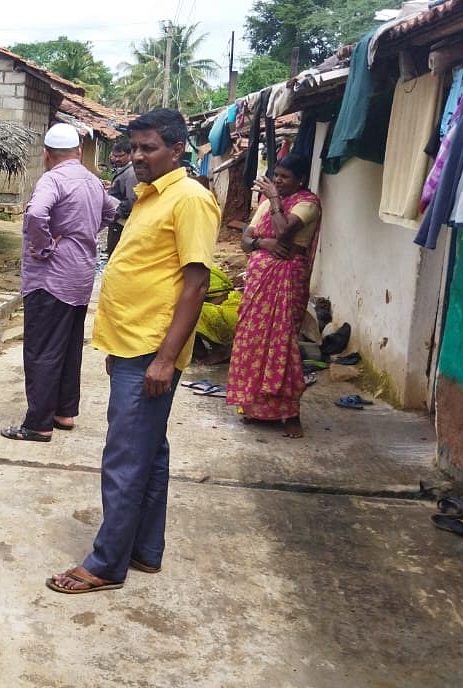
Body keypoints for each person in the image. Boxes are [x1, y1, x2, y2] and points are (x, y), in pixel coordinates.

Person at [46, 108, 220, 594]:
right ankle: (145, 549)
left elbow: (196, 282)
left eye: (149, 148)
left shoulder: (189, 200)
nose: (138, 157)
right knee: (150, 452)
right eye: (135, 147)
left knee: (124, 455)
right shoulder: (149, 195)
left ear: (177, 149)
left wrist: (165, 358)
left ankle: (105, 564)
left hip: (151, 349)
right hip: (132, 345)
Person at [0, 124, 117, 442]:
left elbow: (37, 214)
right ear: (79, 151)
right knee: (67, 346)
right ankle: (64, 412)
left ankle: (38, 424)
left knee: (42, 349)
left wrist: (45, 245)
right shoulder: (92, 181)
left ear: (47, 155)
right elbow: (111, 211)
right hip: (80, 278)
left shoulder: (52, 180)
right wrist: (85, 232)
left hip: (50, 279)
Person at [226, 154, 321, 439]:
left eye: (285, 177)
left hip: (287, 280)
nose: (278, 181)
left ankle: (291, 414)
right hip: (258, 282)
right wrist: (261, 242)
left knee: (282, 345)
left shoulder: (308, 203)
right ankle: (256, 408)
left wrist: (276, 201)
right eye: (276, 175)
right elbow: (246, 241)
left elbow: (283, 231)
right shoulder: (266, 203)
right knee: (253, 342)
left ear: (300, 180)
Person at [105, 138, 137, 259]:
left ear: (130, 154)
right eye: (115, 156)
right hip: (117, 220)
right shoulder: (124, 170)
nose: (117, 159)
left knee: (115, 255)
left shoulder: (131, 173)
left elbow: (131, 200)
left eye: (120, 156)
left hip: (121, 223)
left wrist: (115, 214)